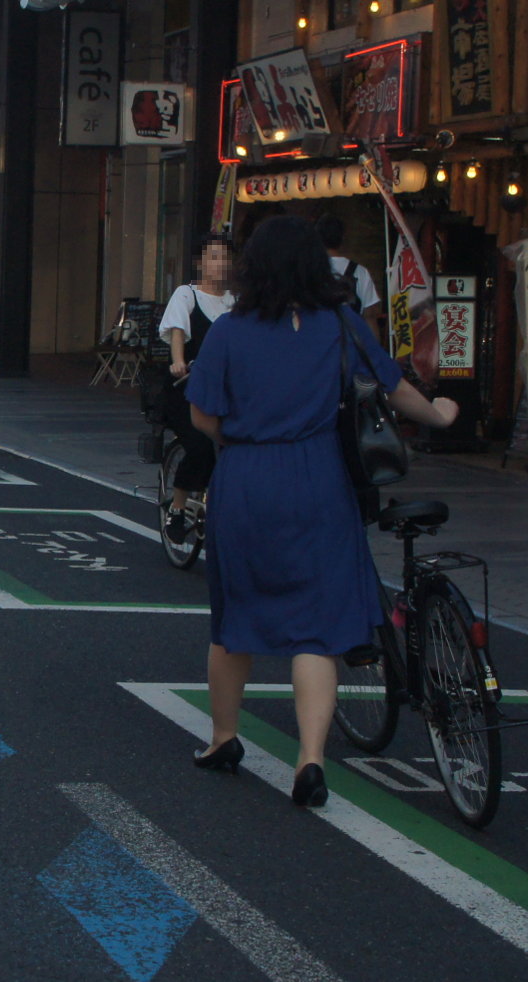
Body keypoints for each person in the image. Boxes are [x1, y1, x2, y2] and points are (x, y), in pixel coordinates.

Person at [185, 215, 458, 807]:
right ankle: (309, 759)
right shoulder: (342, 324)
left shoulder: (230, 331)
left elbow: (202, 415)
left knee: (234, 620)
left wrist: (241, 439)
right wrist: (442, 415)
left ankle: (224, 737)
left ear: (251, 267)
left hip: (248, 479)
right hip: (318, 478)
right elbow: (394, 389)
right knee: (316, 625)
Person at [157, 235, 236, 542]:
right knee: (201, 444)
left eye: (224, 257)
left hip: (225, 389)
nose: (219, 263)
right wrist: (179, 362)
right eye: (213, 256)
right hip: (187, 387)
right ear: (200, 263)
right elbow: (178, 332)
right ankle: (177, 508)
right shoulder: (186, 294)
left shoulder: (235, 302)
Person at [315, 213, 381, 331]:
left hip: (319, 342)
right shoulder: (360, 272)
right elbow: (370, 317)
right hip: (351, 342)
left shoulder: (309, 272)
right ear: (343, 238)